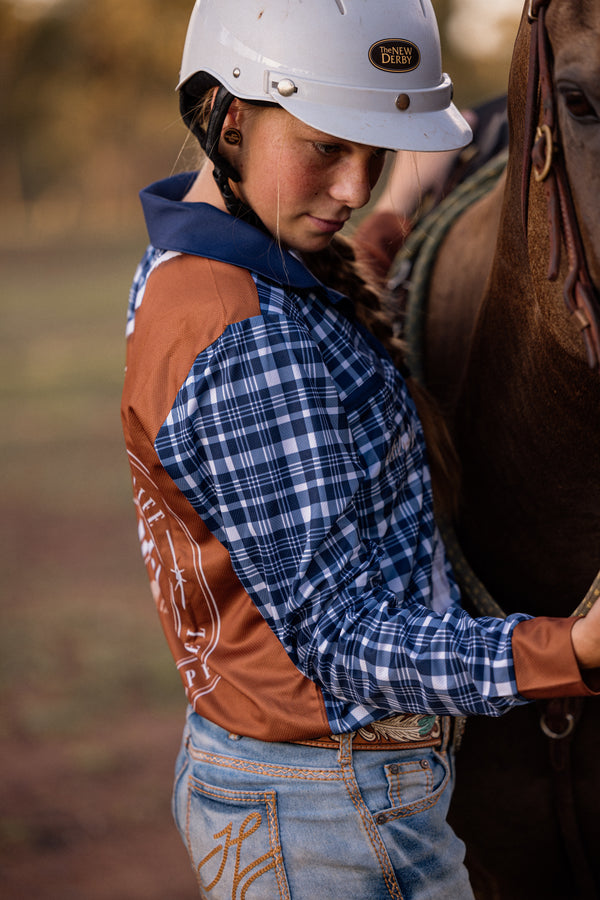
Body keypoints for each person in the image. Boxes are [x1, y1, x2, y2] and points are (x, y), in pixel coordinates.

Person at [121, 2, 600, 897]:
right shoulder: (244, 338)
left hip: (321, 796)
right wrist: (569, 651)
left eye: (374, 152)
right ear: (231, 121)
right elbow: (340, 640)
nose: (354, 188)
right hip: (330, 817)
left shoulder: (225, 273)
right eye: (325, 147)